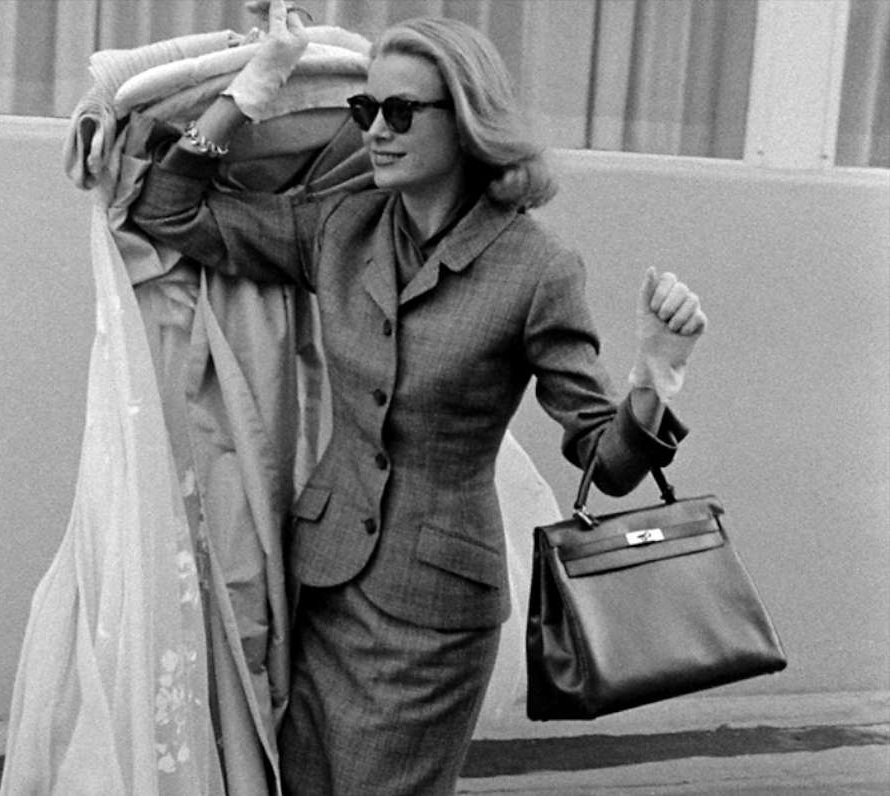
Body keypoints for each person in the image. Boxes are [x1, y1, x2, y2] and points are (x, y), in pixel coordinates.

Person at [129, 1, 708, 793]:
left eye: (400, 112)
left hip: (436, 614)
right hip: (324, 586)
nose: (375, 130)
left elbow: (605, 463)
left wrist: (657, 376)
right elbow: (167, 209)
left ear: (466, 121)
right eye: (366, 109)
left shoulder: (537, 270)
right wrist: (255, 87)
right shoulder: (343, 225)